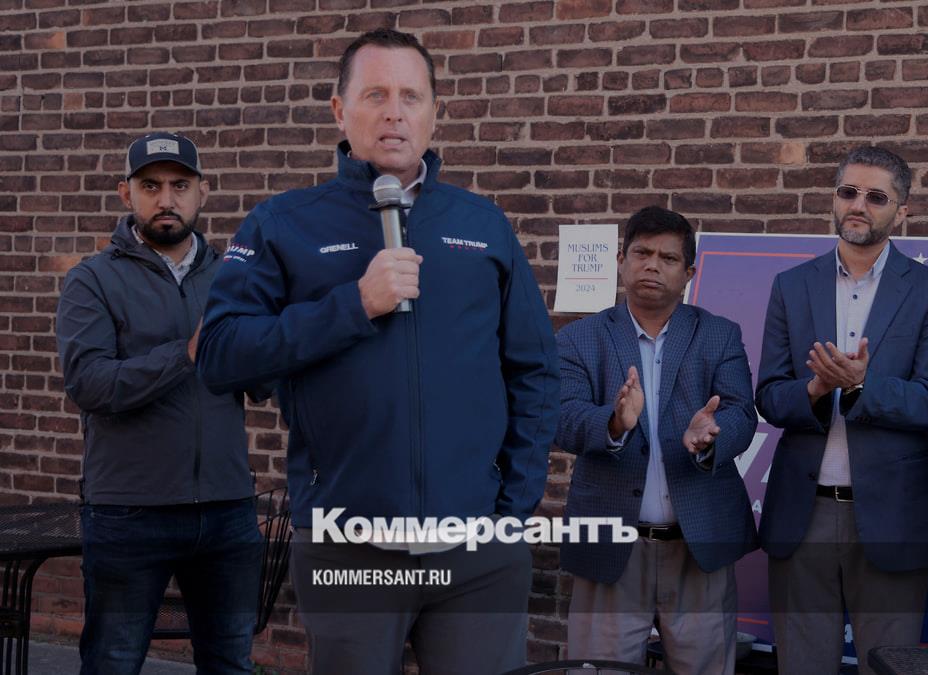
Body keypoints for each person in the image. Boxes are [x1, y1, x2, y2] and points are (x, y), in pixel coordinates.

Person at [196, 29, 559, 674]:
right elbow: (221, 354)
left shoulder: (483, 226)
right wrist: (353, 306)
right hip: (348, 547)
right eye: (375, 95)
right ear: (340, 111)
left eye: (410, 96)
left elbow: (533, 371)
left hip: (475, 550)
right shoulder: (283, 223)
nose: (395, 113)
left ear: (434, 113)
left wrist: (512, 509)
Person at [56, 132, 262, 674]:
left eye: (180, 186)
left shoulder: (233, 280)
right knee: (113, 663)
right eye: (150, 186)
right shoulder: (91, 280)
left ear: (203, 192)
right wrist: (187, 353)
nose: (166, 199)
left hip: (227, 510)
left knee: (230, 664)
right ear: (126, 193)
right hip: (129, 513)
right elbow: (90, 385)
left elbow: (262, 381)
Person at [756, 146, 928, 674]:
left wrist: (863, 384)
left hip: (893, 514)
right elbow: (770, 395)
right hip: (803, 513)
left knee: (888, 665)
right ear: (834, 198)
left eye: (876, 197)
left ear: (902, 210)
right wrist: (815, 389)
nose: (858, 205)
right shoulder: (791, 285)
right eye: (848, 192)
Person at [555, 206, 757, 674]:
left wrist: (710, 438)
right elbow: (562, 419)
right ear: (621, 261)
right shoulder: (579, 338)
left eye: (668, 258)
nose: (652, 265)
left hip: (697, 545)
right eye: (641, 253)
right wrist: (614, 423)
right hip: (610, 546)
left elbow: (741, 412)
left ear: (689, 273)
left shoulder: (719, 334)